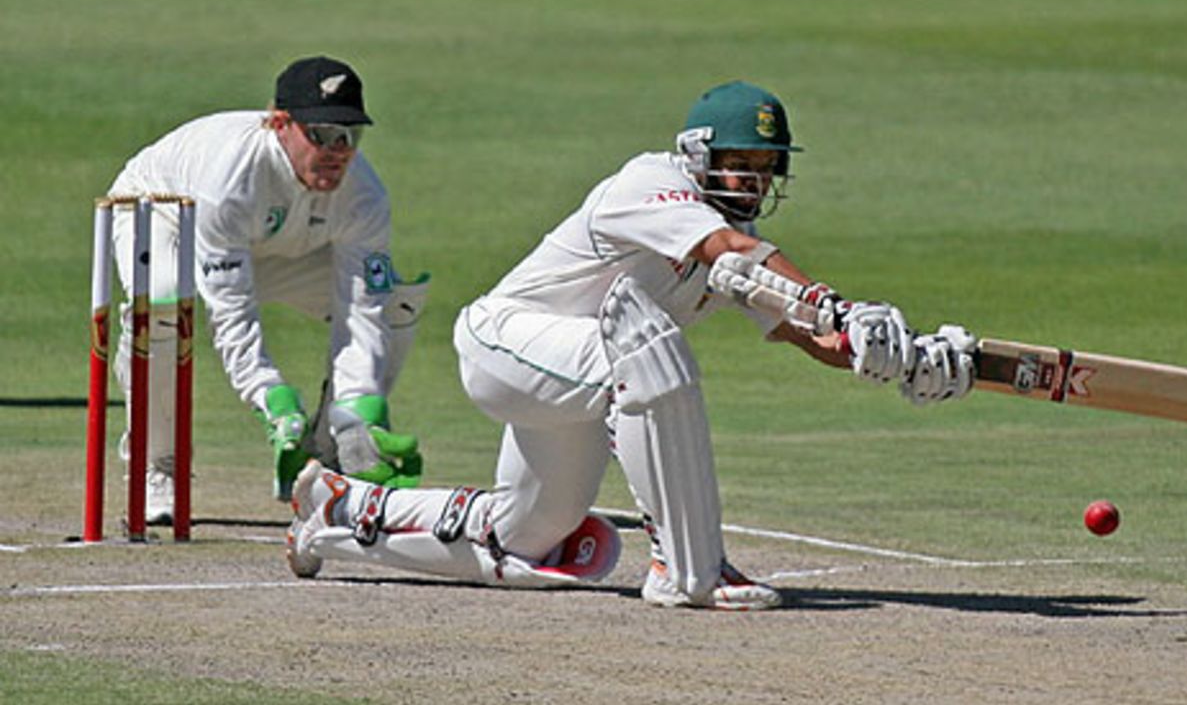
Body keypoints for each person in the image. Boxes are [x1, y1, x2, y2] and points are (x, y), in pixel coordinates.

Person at [285, 80, 976, 610]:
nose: (754, 181)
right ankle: (688, 570)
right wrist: (841, 305)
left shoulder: (732, 247)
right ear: (698, 154)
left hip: (571, 380)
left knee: (528, 537)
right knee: (649, 351)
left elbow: (804, 331)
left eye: (765, 167)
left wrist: (897, 354)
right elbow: (732, 252)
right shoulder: (654, 184)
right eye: (739, 163)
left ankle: (338, 511)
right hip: (505, 342)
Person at [107, 56, 427, 524]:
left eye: (350, 136)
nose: (337, 150)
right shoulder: (231, 179)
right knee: (162, 309)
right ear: (280, 123)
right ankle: (160, 465)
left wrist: (358, 408)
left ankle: (330, 450)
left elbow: (363, 308)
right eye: (321, 134)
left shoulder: (364, 195)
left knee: (397, 303)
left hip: (275, 246)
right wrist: (271, 399)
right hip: (165, 215)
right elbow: (232, 312)